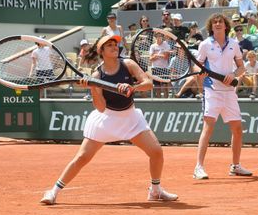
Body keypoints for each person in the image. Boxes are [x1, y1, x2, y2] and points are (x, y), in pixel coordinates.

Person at [40, 35, 178, 205]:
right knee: (82, 158)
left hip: (130, 117)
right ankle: (53, 192)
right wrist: (93, 88)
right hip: (107, 119)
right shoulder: (98, 74)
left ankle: (155, 191)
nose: (115, 47)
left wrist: (132, 87)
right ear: (101, 51)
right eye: (110, 45)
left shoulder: (128, 64)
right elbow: (100, 107)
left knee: (156, 152)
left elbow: (148, 83)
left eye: (116, 44)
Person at [193, 13, 252, 180]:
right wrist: (201, 75)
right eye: (214, 22)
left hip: (229, 92)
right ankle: (198, 167)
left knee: (238, 129)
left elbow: (241, 67)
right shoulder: (204, 45)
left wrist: (233, 74)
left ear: (226, 26)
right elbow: (199, 67)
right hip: (212, 90)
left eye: (220, 22)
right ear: (211, 26)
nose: (217, 24)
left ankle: (235, 166)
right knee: (208, 127)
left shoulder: (234, 44)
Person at [149, 32, 171, 98]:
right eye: (157, 36)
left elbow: (166, 57)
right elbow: (151, 58)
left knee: (165, 87)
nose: (158, 38)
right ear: (155, 37)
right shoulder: (152, 46)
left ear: (162, 37)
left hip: (164, 68)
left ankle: (166, 102)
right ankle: (158, 102)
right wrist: (161, 55)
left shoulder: (166, 44)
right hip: (155, 68)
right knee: (157, 87)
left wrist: (156, 55)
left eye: (160, 36)